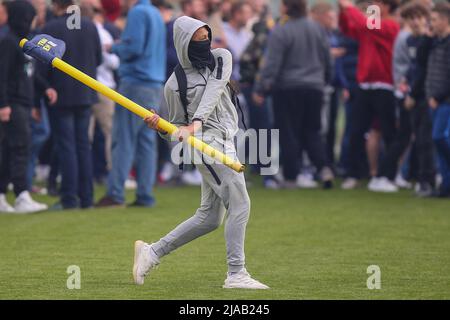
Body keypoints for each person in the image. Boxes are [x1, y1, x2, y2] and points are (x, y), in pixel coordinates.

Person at [134, 16, 269, 289]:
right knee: (240, 203)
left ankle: (152, 252)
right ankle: (236, 273)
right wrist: (159, 126)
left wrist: (194, 122)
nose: (205, 45)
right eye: (198, 41)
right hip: (205, 147)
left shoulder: (222, 57)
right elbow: (175, 126)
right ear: (183, 43)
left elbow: (215, 90)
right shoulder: (174, 84)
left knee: (209, 218)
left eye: (206, 38)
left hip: (224, 140)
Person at [254, 0, 334, 189]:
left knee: (288, 133)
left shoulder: (282, 30)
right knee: (312, 131)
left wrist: (262, 88)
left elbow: (272, 63)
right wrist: (325, 80)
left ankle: (292, 176)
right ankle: (324, 168)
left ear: (287, 7)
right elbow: (327, 57)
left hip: (288, 88)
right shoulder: (317, 28)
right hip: (315, 87)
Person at [96, 0, 166, 207]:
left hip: (135, 83)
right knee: (146, 143)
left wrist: (114, 47)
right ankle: (145, 195)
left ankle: (116, 193)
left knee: (123, 139)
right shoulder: (154, 12)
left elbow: (134, 48)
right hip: (154, 85)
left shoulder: (137, 12)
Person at [40, 0, 102, 209]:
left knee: (67, 147)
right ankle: (86, 198)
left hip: (60, 95)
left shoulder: (50, 28)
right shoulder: (89, 25)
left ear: (56, 5)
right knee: (83, 145)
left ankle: (69, 198)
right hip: (85, 93)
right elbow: (99, 58)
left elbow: (42, 65)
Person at [339, 0, 400, 191]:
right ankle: (354, 173)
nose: (372, 6)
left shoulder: (390, 25)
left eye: (377, 3)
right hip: (365, 86)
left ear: (388, 6)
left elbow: (367, 24)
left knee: (389, 133)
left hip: (385, 86)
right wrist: (343, 11)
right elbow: (348, 29)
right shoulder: (372, 26)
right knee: (356, 132)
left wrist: (349, 7)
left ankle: (389, 175)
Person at [0, 0, 48, 213]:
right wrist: (3, 104)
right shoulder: (9, 42)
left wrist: (45, 88)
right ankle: (21, 194)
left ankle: (4, 194)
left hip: (24, 102)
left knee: (13, 149)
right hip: (14, 103)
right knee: (19, 148)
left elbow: (28, 73)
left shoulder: (24, 42)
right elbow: (2, 76)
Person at [402, 1, 435, 197]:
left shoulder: (428, 40)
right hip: (415, 94)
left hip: (427, 96)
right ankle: (419, 178)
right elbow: (415, 67)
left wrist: (413, 95)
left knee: (426, 140)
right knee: (419, 139)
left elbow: (424, 71)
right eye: (411, 18)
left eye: (419, 17)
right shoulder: (410, 41)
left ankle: (427, 181)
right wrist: (405, 78)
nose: (415, 22)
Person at [425, 2, 450, 198]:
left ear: (445, 20)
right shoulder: (435, 42)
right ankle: (445, 186)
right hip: (434, 99)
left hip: (444, 100)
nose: (430, 24)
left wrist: (437, 95)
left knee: (439, 137)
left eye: (433, 20)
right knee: (438, 143)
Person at [222, 1, 254, 82]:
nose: (249, 17)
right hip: (225, 80)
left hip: (243, 82)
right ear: (237, 14)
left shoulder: (248, 35)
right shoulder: (222, 32)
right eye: (247, 13)